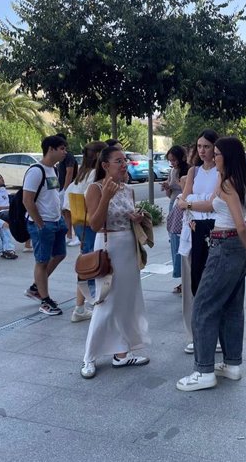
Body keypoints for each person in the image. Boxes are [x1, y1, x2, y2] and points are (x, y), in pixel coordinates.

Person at [176, 137, 246, 391]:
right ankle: (232, 364)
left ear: (227, 156)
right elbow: (213, 205)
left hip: (225, 245)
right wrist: (187, 203)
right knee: (232, 308)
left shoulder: (227, 184)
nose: (213, 157)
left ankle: (203, 371)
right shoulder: (237, 183)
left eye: (217, 154)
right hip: (232, 248)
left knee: (203, 306)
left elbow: (240, 224)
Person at [80, 146, 151, 379]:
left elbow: (128, 217)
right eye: (118, 161)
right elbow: (94, 224)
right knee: (105, 301)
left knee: (127, 301)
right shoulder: (95, 188)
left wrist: (137, 218)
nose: (124, 165)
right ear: (105, 165)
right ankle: (89, 356)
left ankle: (121, 353)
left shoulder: (128, 189)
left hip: (128, 248)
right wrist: (106, 198)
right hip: (108, 247)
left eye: (125, 161)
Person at [177, 129, 219, 355]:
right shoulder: (193, 171)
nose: (202, 150)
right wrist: (193, 205)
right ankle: (194, 334)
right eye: (199, 146)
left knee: (211, 286)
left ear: (215, 148)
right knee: (193, 287)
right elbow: (182, 200)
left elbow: (215, 204)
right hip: (191, 231)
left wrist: (191, 203)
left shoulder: (222, 172)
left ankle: (215, 335)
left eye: (207, 146)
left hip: (213, 233)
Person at [23, 135, 68, 316]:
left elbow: (52, 195)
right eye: (62, 148)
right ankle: (45, 300)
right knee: (41, 261)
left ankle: (36, 288)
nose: (65, 152)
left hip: (56, 221)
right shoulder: (36, 171)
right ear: (51, 149)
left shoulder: (54, 170)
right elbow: (27, 200)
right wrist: (40, 223)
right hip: (42, 223)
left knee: (59, 254)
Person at [64, 141, 107, 323]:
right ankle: (84, 305)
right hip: (91, 224)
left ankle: (80, 306)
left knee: (87, 261)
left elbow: (66, 203)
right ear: (99, 156)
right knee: (93, 263)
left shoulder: (80, 175)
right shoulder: (93, 177)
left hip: (80, 223)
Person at [161, 145, 189, 294]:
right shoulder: (172, 171)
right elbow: (169, 195)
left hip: (183, 206)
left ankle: (185, 279)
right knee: (174, 241)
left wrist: (179, 184)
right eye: (170, 160)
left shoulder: (188, 170)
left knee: (181, 241)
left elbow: (188, 191)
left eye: (174, 160)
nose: (172, 163)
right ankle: (181, 277)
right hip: (173, 204)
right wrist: (167, 187)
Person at [0, 172, 33, 252]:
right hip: (0, 213)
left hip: (9, 210)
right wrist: (9, 207)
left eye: (1, 177)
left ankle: (27, 244)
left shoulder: (3, 189)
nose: (2, 179)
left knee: (29, 215)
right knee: (20, 217)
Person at [55, 133, 79, 247]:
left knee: (71, 212)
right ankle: (69, 235)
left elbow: (69, 173)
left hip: (69, 188)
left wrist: (65, 189)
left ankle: (77, 236)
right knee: (66, 213)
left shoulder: (68, 156)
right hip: (62, 187)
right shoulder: (61, 158)